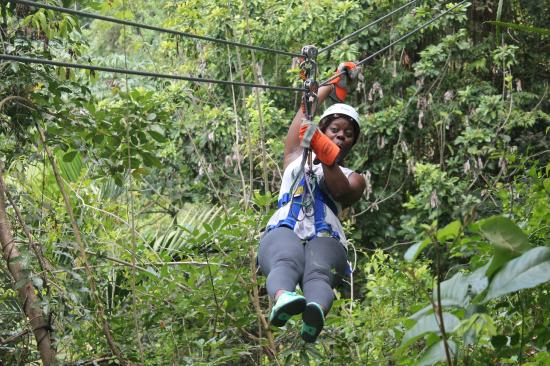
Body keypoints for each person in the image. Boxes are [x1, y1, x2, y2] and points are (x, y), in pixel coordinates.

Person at [258, 62, 366, 343]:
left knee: (318, 272)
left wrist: (325, 151)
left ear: (352, 144)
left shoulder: (354, 177)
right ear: (324, 129)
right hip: (285, 226)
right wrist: (332, 83)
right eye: (334, 129)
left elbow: (341, 192)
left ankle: (314, 311)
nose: (341, 134)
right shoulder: (296, 156)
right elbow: (305, 112)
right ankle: (282, 297)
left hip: (325, 236)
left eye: (348, 134)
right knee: (284, 258)